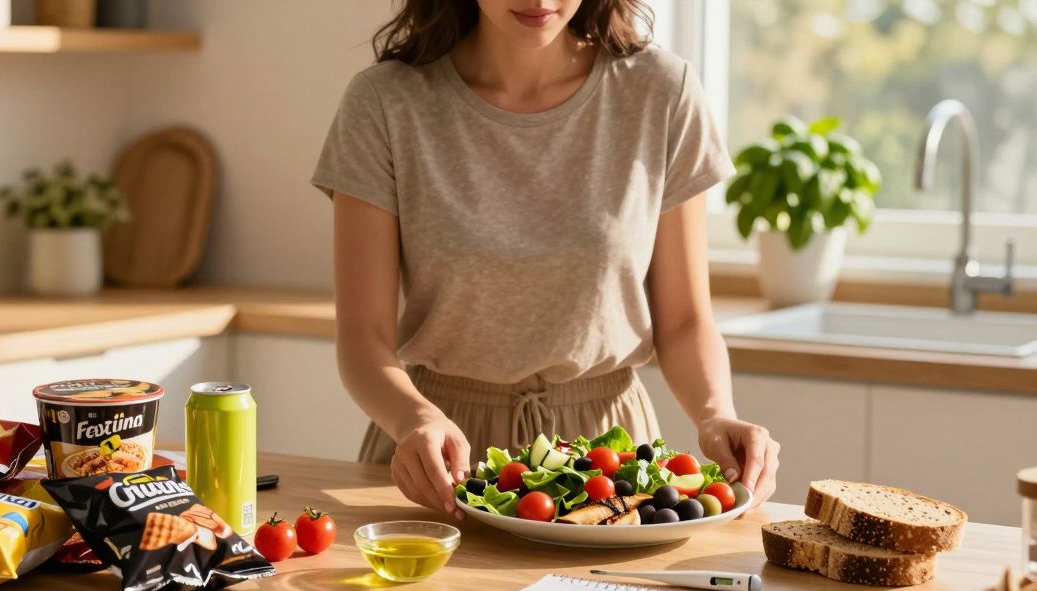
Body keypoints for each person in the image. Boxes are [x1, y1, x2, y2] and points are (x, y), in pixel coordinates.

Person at [312, 0, 780, 518]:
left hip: (609, 462)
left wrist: (716, 414)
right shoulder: (384, 102)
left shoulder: (661, 93)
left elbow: (686, 320)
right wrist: (413, 419)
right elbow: (363, 337)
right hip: (438, 456)